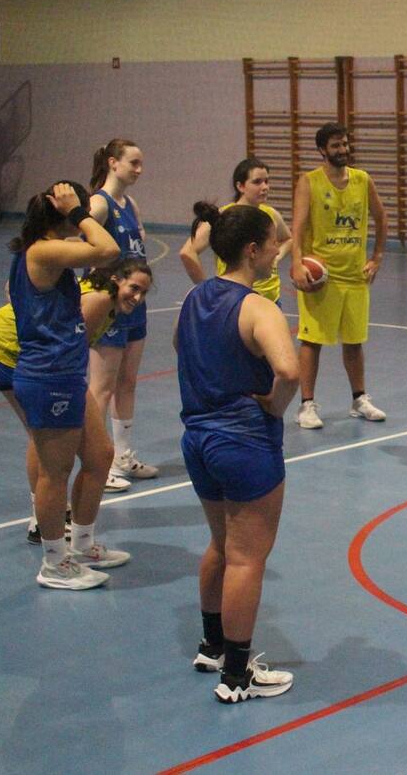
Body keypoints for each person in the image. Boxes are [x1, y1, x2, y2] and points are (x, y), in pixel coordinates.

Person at [175, 204, 299, 703]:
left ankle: (212, 646)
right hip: (245, 443)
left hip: (197, 440)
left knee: (221, 545)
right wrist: (273, 405)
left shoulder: (193, 297)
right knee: (247, 559)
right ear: (252, 250)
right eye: (272, 243)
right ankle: (236, 675)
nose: (276, 251)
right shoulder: (259, 308)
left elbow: (181, 347)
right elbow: (288, 371)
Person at [0, 260, 153, 541]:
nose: (138, 297)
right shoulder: (98, 300)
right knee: (44, 436)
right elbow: (69, 353)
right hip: (6, 350)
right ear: (115, 280)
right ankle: (43, 522)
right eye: (133, 288)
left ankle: (51, 520)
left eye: (144, 292)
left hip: (30, 355)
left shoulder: (105, 301)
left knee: (51, 437)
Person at [6, 181, 126, 589]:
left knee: (100, 455)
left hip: (67, 372)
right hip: (48, 375)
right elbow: (108, 251)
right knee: (55, 473)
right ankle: (54, 563)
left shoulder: (46, 253)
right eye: (78, 208)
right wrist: (78, 212)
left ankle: (82, 545)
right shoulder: (42, 250)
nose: (83, 215)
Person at [289, 122, 388, 428]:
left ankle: (359, 399)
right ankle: (306, 405)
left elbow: (381, 217)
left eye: (345, 144)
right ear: (322, 150)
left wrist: (376, 257)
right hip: (322, 278)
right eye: (335, 145)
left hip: (355, 276)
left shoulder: (362, 180)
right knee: (312, 341)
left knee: (354, 341)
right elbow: (298, 227)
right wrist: (297, 263)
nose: (343, 150)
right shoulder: (309, 182)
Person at [88, 138, 155, 486]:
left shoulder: (131, 204)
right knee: (101, 388)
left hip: (135, 303)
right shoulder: (99, 204)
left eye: (141, 163)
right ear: (113, 163)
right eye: (133, 163)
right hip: (109, 305)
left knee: (127, 381)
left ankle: (121, 456)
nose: (139, 170)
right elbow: (78, 248)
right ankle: (97, 464)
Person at [179, 157, 292, 304]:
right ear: (240, 186)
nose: (265, 187)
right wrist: (206, 288)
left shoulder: (271, 214)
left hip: (270, 299)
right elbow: (187, 252)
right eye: (257, 182)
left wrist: (277, 256)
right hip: (235, 299)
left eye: (266, 181)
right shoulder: (225, 217)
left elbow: (288, 238)